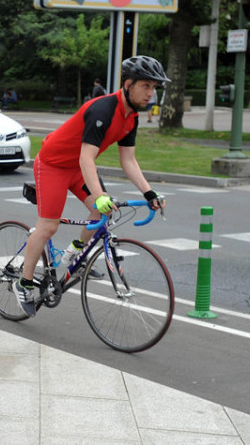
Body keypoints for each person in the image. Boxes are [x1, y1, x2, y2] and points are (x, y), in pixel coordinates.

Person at [14, 56, 167, 317]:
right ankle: (24, 283)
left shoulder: (131, 118)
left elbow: (128, 160)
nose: (151, 93)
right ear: (128, 85)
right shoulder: (102, 110)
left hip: (78, 168)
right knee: (48, 226)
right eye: (146, 86)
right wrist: (99, 196)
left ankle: (74, 253)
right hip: (53, 165)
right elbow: (87, 157)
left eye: (154, 88)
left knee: (103, 211)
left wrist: (149, 192)